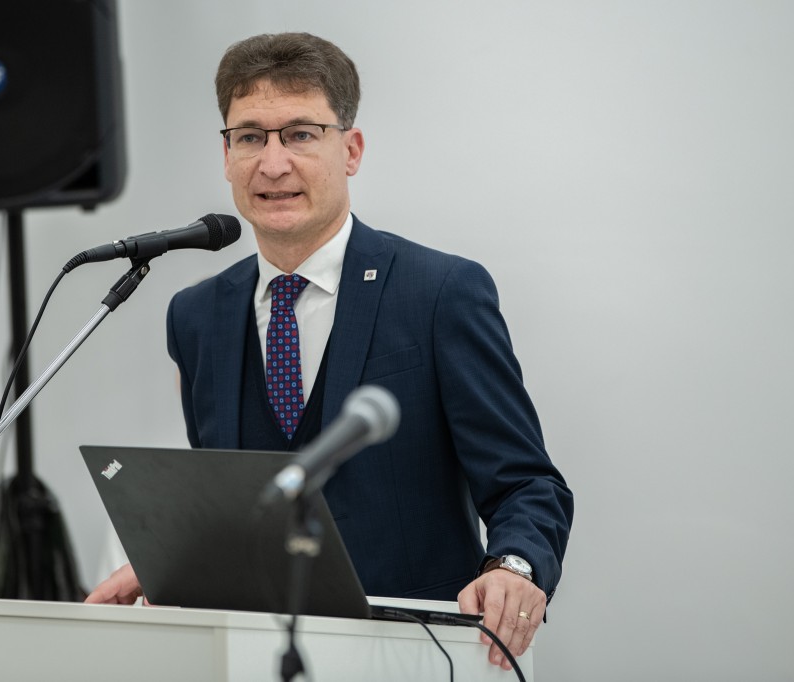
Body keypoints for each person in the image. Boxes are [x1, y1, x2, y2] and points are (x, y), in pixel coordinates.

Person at [87, 32, 573, 671]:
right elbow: (236, 501)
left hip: (417, 656)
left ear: (352, 149)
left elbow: (526, 483)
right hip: (255, 658)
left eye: (300, 134)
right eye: (250, 137)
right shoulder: (195, 315)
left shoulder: (439, 292)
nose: (273, 163)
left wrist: (514, 565)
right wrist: (175, 565)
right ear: (227, 155)